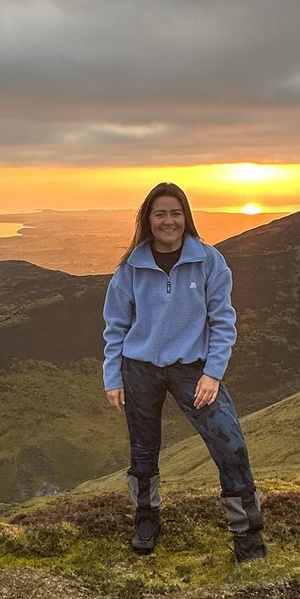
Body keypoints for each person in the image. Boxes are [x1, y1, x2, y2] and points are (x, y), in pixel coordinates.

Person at [102, 182, 266, 563]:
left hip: (193, 368)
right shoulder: (129, 269)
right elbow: (116, 326)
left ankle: (247, 536)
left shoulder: (209, 261)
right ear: (148, 219)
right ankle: (146, 519)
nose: (168, 221)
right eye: (160, 213)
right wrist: (113, 376)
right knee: (143, 450)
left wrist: (212, 374)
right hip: (140, 368)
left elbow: (223, 322)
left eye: (175, 213)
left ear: (186, 217)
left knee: (230, 445)